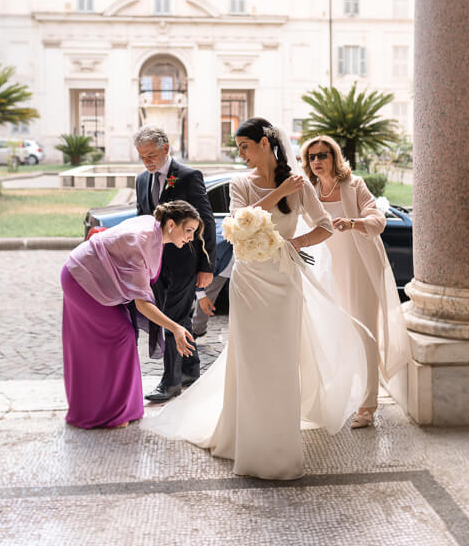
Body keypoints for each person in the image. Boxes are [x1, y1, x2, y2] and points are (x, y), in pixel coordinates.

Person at [144, 118, 369, 480]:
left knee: (280, 359)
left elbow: (325, 225)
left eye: (245, 146)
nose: (242, 154)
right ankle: (244, 437)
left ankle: (278, 442)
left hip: (284, 277)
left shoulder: (299, 183)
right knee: (249, 359)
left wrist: (294, 244)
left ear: (266, 143)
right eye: (239, 148)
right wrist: (279, 194)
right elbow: (238, 222)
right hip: (249, 281)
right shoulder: (240, 183)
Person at [299, 135, 411, 429]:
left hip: (358, 266)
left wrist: (352, 223)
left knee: (364, 332)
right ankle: (336, 398)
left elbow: (378, 218)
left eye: (323, 155)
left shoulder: (354, 185)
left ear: (334, 156)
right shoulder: (308, 189)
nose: (317, 161)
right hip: (324, 268)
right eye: (311, 157)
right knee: (329, 331)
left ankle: (368, 403)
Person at [61, 201, 199, 429]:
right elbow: (142, 304)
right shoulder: (143, 241)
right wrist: (175, 328)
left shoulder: (155, 231)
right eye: (189, 231)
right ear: (172, 224)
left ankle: (125, 408)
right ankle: (109, 412)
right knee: (121, 335)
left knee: (124, 334)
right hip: (81, 280)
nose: (191, 238)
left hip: (96, 279)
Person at [133, 125, 216, 402]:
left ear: (166, 148)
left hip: (185, 261)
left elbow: (206, 220)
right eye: (142, 156)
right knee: (179, 317)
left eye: (152, 154)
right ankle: (191, 369)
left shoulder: (189, 176)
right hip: (156, 264)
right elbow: (142, 221)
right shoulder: (142, 181)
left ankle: (170, 382)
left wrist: (207, 266)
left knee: (171, 317)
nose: (147, 161)